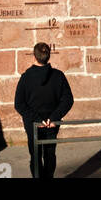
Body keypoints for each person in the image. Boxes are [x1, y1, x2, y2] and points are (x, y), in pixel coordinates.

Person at [14, 42, 74, 179]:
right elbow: (68, 100)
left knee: (35, 156)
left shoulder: (26, 78)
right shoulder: (58, 76)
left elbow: (19, 104)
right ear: (48, 56)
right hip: (51, 123)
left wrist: (36, 119)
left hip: (33, 124)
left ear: (34, 57)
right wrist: (54, 117)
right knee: (50, 154)